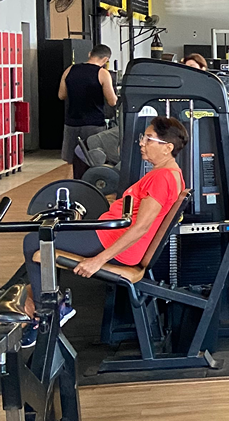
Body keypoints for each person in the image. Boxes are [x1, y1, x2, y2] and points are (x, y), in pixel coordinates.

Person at [20, 116, 188, 347]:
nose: (141, 143)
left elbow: (141, 227)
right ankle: (47, 300)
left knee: (33, 241)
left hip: (113, 242)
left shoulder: (162, 178)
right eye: (143, 138)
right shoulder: (170, 174)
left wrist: (98, 261)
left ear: (167, 147)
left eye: (149, 139)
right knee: (48, 235)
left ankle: (48, 313)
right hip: (109, 235)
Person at [60, 44, 118, 180]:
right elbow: (112, 101)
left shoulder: (70, 70)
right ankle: (90, 187)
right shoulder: (102, 73)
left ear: (90, 54)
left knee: (71, 162)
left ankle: (69, 187)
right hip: (94, 123)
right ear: (105, 59)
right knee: (94, 160)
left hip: (71, 122)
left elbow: (61, 95)